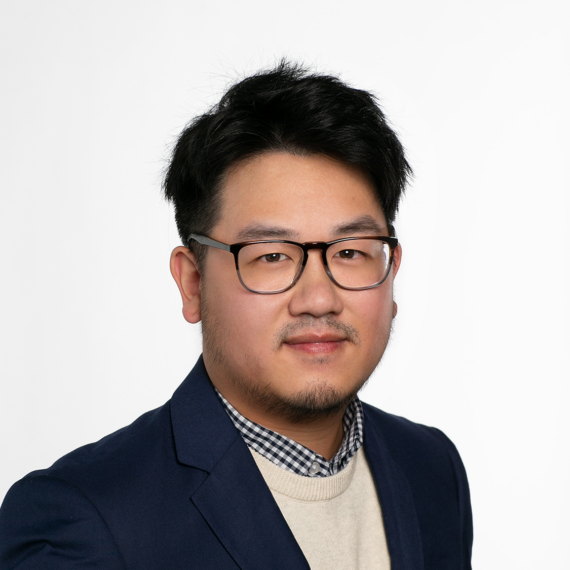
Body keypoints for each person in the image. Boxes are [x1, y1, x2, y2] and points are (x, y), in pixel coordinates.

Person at [0, 61, 473, 569]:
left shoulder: (430, 466)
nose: (319, 298)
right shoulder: (82, 520)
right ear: (193, 283)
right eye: (271, 256)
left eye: (351, 251)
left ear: (391, 269)